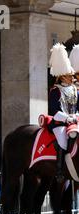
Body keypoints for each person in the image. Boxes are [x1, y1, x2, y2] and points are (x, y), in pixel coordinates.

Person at [48, 43, 78, 183]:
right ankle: (60, 169)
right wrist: (67, 118)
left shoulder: (75, 90)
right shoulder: (55, 90)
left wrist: (76, 116)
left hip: (75, 121)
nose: (72, 78)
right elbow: (54, 111)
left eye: (72, 75)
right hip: (60, 123)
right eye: (69, 75)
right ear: (61, 77)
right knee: (62, 138)